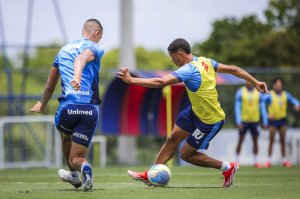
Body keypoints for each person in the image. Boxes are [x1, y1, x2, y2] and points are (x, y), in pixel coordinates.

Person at [117, 38, 269, 187]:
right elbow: (234, 69)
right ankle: (152, 175)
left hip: (210, 120)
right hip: (195, 111)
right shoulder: (206, 61)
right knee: (172, 139)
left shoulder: (189, 69)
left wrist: (132, 81)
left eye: (173, 57)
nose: (173, 61)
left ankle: (227, 167)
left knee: (185, 154)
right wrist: (256, 82)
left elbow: (161, 82)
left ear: (180, 53)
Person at [30, 19, 104, 191]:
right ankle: (83, 166)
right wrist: (77, 77)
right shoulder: (96, 47)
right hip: (90, 110)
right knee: (77, 157)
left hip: (68, 109)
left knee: (66, 137)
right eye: (100, 37)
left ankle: (73, 174)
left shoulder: (62, 51)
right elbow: (81, 59)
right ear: (97, 33)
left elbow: (50, 85)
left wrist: (42, 105)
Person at [263, 77, 299, 168]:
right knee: (271, 141)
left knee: (283, 141)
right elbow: (261, 102)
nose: (278, 87)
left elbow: (294, 100)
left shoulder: (285, 95)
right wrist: (266, 114)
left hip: (282, 120)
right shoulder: (269, 94)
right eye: (277, 85)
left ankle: (284, 160)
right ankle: (269, 160)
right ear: (274, 85)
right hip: (273, 121)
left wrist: (297, 105)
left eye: (280, 85)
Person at [234, 79, 268, 168]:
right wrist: (238, 121)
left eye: (250, 80)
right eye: (247, 80)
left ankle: (255, 161)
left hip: (255, 121)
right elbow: (237, 107)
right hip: (243, 121)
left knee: (255, 141)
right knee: (240, 141)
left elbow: (262, 107)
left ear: (253, 82)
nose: (248, 82)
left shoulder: (258, 93)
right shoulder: (240, 92)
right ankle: (236, 161)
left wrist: (265, 121)